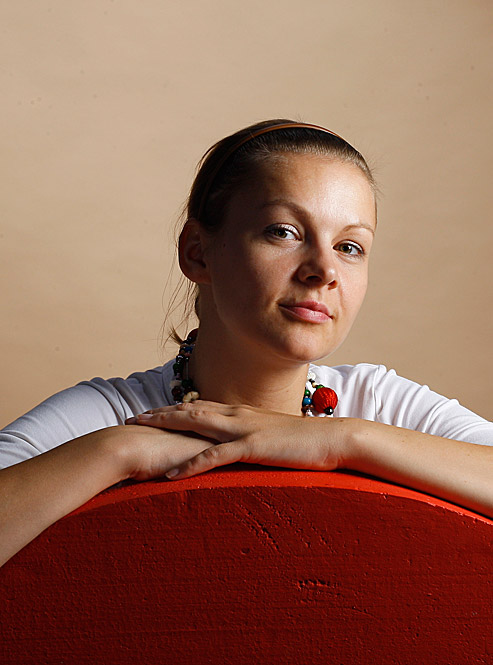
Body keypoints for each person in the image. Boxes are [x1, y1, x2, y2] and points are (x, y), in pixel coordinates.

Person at [1, 119, 492, 568]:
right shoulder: (116, 417)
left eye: (349, 247)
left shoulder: (379, 406)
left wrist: (342, 441)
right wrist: (119, 451)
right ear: (197, 253)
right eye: (284, 232)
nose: (324, 270)